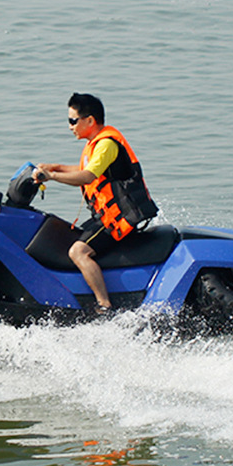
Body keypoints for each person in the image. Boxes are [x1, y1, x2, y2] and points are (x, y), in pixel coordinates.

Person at [33, 93, 157, 312]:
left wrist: (51, 176)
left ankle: (104, 305)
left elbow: (87, 176)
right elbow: (84, 169)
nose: (70, 126)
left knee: (78, 252)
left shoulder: (106, 144)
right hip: (106, 215)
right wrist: (55, 167)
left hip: (119, 218)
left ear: (89, 120)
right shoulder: (96, 143)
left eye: (73, 121)